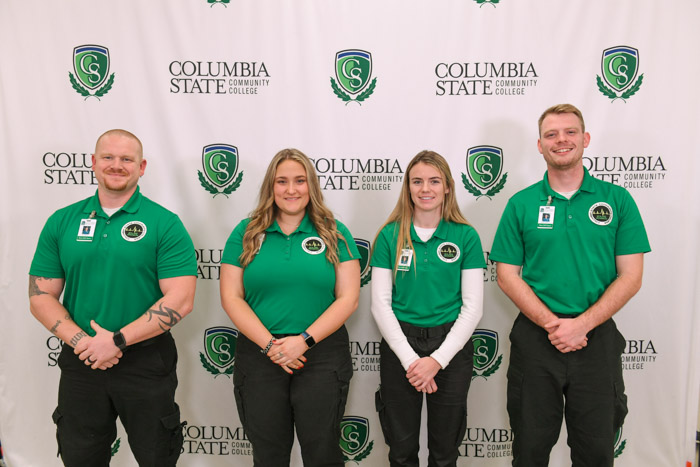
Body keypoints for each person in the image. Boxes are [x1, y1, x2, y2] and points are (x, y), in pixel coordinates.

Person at [490, 104, 651, 466]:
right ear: (540, 144)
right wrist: (554, 325)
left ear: (585, 139)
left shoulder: (617, 200)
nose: (561, 140)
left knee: (595, 452)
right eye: (551, 134)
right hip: (536, 340)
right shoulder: (521, 204)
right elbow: (506, 275)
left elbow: (631, 275)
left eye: (570, 132)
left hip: (596, 340)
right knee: (529, 450)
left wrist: (582, 325)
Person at [28, 129, 197, 466]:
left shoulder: (165, 223)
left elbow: (181, 298)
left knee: (157, 457)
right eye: (108, 157)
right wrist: (83, 342)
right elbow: (40, 294)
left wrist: (116, 341)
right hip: (82, 359)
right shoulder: (61, 221)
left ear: (142, 166)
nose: (116, 165)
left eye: (126, 159)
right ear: (93, 162)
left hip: (146, 361)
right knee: (80, 457)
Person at [220, 148, 360, 466]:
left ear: (311, 186)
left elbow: (348, 298)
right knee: (268, 454)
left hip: (321, 355)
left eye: (299, 181)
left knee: (322, 452)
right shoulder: (246, 233)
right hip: (260, 355)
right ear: (271, 187)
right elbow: (231, 297)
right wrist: (271, 345)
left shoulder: (336, 233)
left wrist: (303, 341)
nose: (291, 189)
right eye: (281, 181)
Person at [371, 150, 486, 467]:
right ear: (407, 187)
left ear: (448, 187)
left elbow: (473, 308)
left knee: (445, 452)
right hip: (400, 346)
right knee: (401, 450)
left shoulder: (466, 236)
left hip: (451, 346)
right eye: (417, 181)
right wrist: (412, 361)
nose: (425, 189)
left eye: (434, 181)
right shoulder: (389, 235)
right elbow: (380, 304)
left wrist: (436, 360)